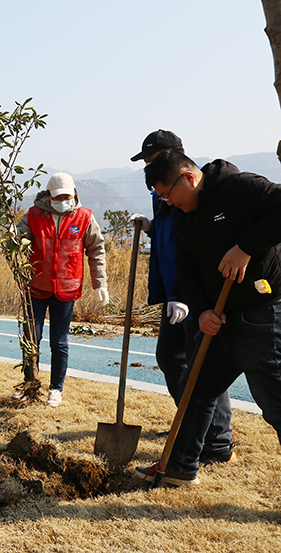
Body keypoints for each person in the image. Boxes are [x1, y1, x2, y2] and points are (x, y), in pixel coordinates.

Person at [135, 149, 281, 486]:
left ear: (188, 178)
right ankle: (180, 467)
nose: (168, 203)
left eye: (167, 194)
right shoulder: (183, 215)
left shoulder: (240, 187)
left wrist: (245, 248)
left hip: (262, 313)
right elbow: (185, 268)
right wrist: (201, 311)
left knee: (274, 402)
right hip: (219, 319)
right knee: (196, 390)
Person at [129, 130, 234, 461]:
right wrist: (151, 227)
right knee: (170, 357)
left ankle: (217, 441)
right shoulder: (161, 190)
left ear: (172, 157)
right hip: (173, 292)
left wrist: (184, 296)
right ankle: (190, 424)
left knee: (204, 365)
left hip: (192, 294)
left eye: (152, 159)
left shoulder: (190, 188)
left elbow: (189, 246)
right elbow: (168, 235)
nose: (148, 166)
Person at [15, 173, 108, 407]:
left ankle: (56, 388)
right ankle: (29, 383)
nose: (63, 201)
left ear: (74, 194)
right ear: (48, 196)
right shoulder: (33, 215)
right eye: (58, 197)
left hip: (67, 288)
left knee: (59, 342)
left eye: (67, 197)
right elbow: (17, 243)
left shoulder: (84, 217)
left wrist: (100, 283)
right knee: (31, 338)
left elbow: (96, 250)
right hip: (36, 287)